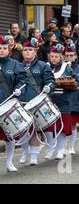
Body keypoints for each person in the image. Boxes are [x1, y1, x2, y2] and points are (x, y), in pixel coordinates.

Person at [18, 38, 55, 166]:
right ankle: (26, 151)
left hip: (36, 103)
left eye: (30, 50)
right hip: (20, 103)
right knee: (20, 131)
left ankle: (34, 156)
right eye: (25, 50)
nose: (27, 52)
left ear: (35, 52)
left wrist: (48, 87)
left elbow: (51, 81)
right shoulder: (17, 66)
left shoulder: (43, 66)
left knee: (35, 130)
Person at [45, 44, 78, 160]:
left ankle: (59, 150)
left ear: (60, 58)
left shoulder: (67, 68)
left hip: (63, 100)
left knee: (62, 127)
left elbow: (75, 82)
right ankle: (50, 148)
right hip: (49, 101)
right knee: (49, 127)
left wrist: (65, 83)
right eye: (52, 56)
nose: (54, 58)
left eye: (56, 56)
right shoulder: (46, 67)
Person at [0, 35, 27, 172]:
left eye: (4, 48)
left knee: (9, 136)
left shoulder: (15, 64)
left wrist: (18, 89)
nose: (1, 50)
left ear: (9, 49)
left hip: (8, 104)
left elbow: (23, 80)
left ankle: (9, 163)